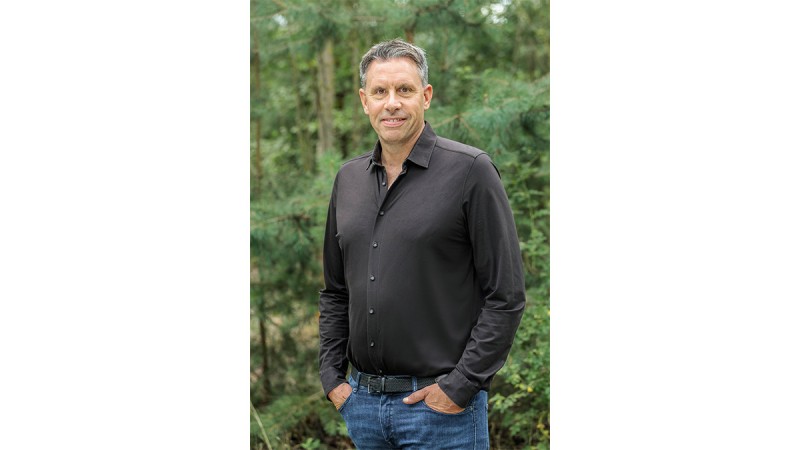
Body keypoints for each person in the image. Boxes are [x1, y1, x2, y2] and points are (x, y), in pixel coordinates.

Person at [318, 38, 526, 449]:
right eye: (380, 92)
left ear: (425, 96)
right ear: (364, 100)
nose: (391, 103)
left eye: (404, 90)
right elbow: (335, 291)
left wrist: (460, 387)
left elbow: (505, 296)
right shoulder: (348, 181)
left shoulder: (471, 172)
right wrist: (332, 377)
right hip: (362, 408)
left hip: (441, 413)